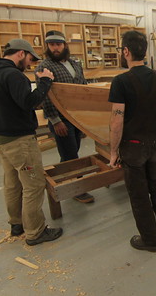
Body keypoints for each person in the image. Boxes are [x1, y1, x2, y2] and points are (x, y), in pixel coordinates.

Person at [0, 39, 63, 246]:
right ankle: (35, 232)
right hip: (20, 142)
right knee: (34, 183)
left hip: (1, 139)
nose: (29, 64)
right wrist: (45, 82)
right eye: (29, 59)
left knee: (12, 183)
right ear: (20, 54)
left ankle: (17, 224)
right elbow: (30, 102)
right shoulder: (14, 75)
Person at [108, 31, 156, 252]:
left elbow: (117, 122)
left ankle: (150, 240)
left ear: (126, 51)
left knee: (139, 196)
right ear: (144, 51)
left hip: (133, 148)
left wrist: (113, 152)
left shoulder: (120, 82)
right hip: (155, 145)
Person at [35, 30, 94, 204]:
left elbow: (82, 87)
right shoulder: (44, 67)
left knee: (70, 153)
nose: (55, 48)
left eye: (58, 44)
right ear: (47, 46)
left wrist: (85, 118)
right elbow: (44, 95)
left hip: (77, 117)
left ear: (64, 45)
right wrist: (55, 121)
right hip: (61, 119)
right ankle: (77, 189)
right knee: (70, 155)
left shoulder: (75, 63)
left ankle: (64, 182)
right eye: (51, 45)